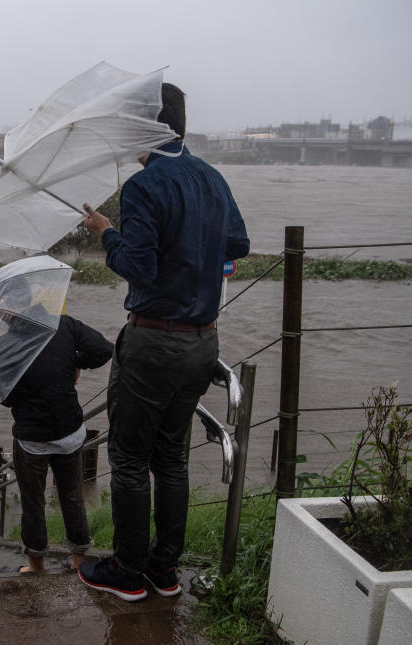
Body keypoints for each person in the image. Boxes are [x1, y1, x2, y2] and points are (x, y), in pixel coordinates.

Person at [77, 83, 250, 601]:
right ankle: (163, 571)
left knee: (130, 459)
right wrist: (197, 253)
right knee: (170, 460)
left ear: (147, 127)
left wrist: (108, 234)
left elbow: (140, 270)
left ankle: (128, 574)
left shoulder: (144, 184)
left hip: (153, 344)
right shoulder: (212, 177)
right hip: (203, 343)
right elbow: (237, 243)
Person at [0, 290, 114, 573]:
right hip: (69, 431)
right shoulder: (63, 325)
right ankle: (79, 561)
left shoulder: (3, 347)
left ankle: (36, 564)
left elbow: (5, 397)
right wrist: (73, 362)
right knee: (73, 496)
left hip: (32, 438)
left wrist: (26, 375)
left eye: (1, 301)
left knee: (32, 503)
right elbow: (104, 350)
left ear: (17, 303)